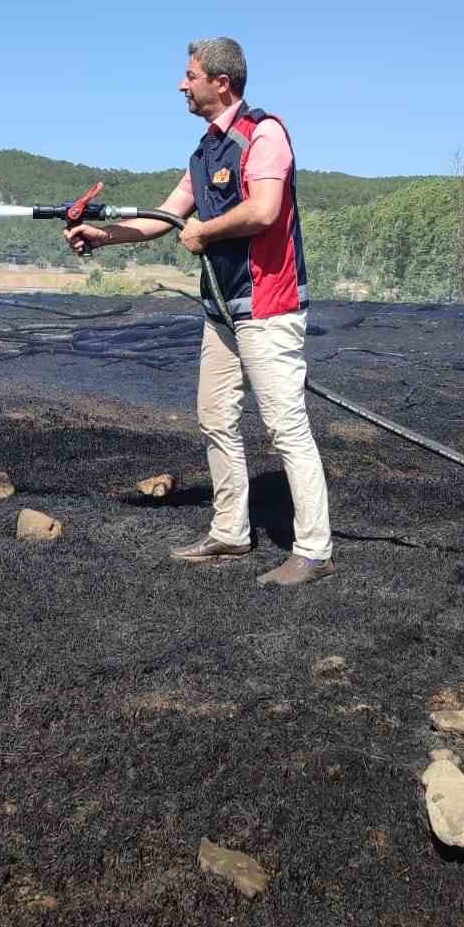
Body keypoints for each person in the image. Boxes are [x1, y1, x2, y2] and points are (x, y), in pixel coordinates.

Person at [65, 38, 334, 588]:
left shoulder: (264, 135)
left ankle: (313, 550)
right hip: (222, 310)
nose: (182, 85)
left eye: (190, 75)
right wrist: (102, 235)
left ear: (221, 82)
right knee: (215, 418)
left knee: (285, 428)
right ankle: (230, 532)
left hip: (266, 305)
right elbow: (164, 217)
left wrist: (206, 231)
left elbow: (263, 210)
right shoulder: (204, 153)